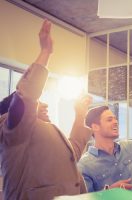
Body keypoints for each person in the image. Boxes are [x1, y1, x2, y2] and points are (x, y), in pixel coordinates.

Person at [0, 20, 93, 200]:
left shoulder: (44, 131)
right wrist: (45, 52)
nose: (43, 105)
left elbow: (71, 154)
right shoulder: (13, 131)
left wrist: (80, 115)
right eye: (37, 102)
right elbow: (26, 95)